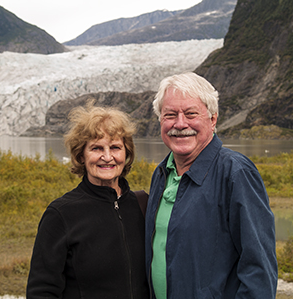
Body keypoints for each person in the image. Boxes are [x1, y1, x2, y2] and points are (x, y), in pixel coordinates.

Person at [145, 72, 278, 298]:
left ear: (213, 119)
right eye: (170, 115)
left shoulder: (236, 173)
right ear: (160, 120)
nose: (180, 123)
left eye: (190, 114)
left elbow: (259, 271)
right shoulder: (162, 172)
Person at [26, 103, 149, 299]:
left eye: (115, 147)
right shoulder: (61, 214)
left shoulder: (143, 206)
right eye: (96, 148)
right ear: (81, 155)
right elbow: (42, 291)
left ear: (126, 154)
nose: (107, 157)